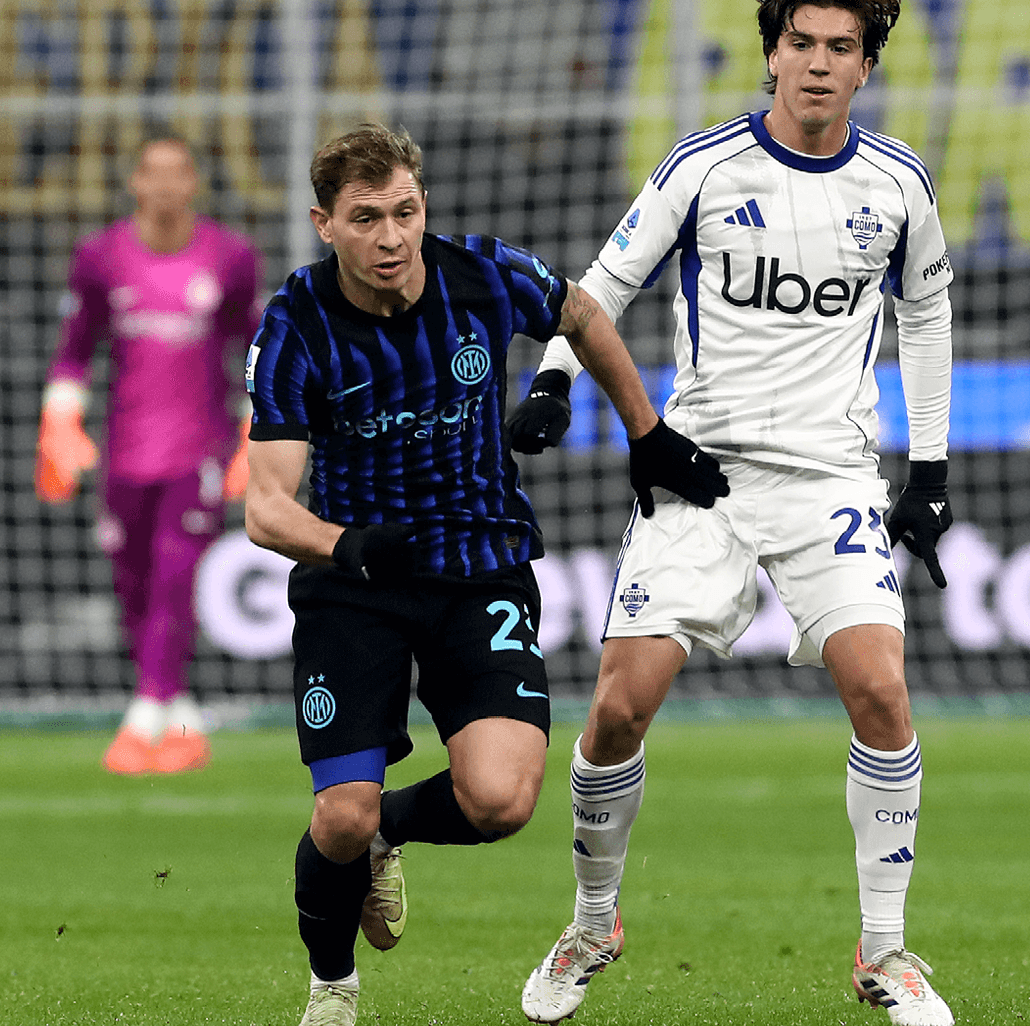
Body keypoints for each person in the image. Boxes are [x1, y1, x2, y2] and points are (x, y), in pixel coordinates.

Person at [509, 0, 958, 1025]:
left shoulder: (897, 186)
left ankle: (887, 954)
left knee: (882, 691)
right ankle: (591, 922)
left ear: (866, 67)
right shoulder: (703, 169)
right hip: (700, 472)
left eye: (838, 48)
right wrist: (554, 383)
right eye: (799, 42)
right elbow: (604, 284)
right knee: (620, 706)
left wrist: (929, 466)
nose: (815, 63)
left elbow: (926, 317)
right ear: (771, 52)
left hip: (831, 477)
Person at [241, 123, 726, 1026]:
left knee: (501, 801)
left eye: (405, 212)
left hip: (481, 567)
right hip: (357, 585)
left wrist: (645, 431)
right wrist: (343, 544)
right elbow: (264, 507)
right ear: (324, 224)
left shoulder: (481, 275)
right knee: (337, 816)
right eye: (366, 218)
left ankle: (393, 828)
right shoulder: (296, 326)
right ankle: (333, 987)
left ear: (424, 204)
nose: (391, 237)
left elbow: (581, 312)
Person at [37, 136, 261, 775]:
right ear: (135, 183)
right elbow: (75, 348)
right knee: (132, 584)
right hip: (125, 451)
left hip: (200, 450)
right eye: (152, 174)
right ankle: (182, 719)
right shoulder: (101, 255)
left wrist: (254, 435)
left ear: (194, 183)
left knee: (173, 577)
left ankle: (141, 722)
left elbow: (255, 352)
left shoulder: (230, 256)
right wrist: (60, 419)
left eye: (177, 174)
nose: (164, 187)